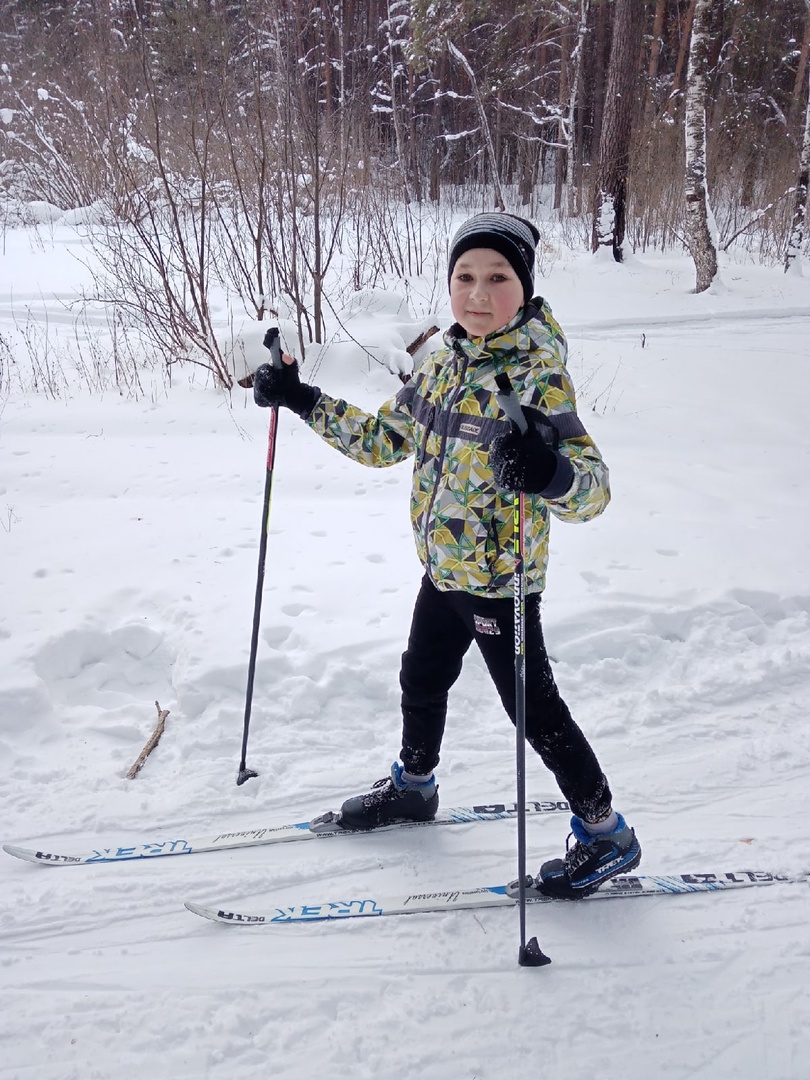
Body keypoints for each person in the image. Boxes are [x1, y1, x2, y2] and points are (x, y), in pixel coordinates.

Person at [252, 212, 640, 899]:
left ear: (524, 289)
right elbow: (381, 442)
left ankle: (605, 833)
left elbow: (593, 493)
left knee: (534, 710)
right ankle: (414, 785)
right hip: (442, 569)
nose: (478, 293)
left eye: (497, 278)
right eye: (465, 277)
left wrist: (547, 471)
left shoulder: (536, 378)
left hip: (500, 585)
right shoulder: (440, 364)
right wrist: (302, 397)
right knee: (420, 677)